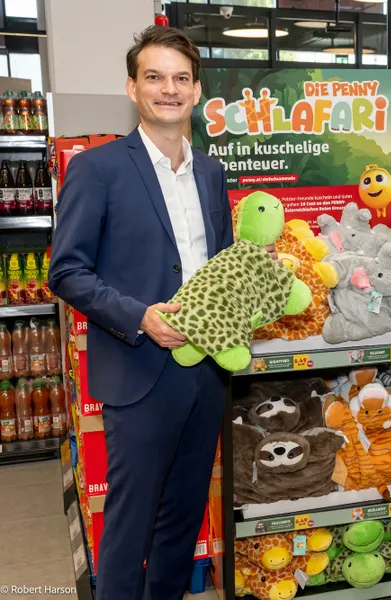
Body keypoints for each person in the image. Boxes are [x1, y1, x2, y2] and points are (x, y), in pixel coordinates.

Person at [48, 26, 265, 600]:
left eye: (180, 78)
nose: (169, 89)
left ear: (196, 91)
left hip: (206, 372)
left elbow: (221, 263)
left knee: (183, 516)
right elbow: (66, 271)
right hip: (138, 370)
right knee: (131, 522)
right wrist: (140, 316)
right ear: (132, 87)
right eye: (154, 77)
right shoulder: (98, 169)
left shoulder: (211, 172)